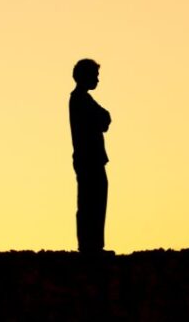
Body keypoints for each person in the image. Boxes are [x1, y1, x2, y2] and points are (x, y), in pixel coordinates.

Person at [69, 59, 111, 253]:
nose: (97, 80)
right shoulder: (80, 100)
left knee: (93, 200)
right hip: (89, 159)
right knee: (90, 201)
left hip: (89, 159)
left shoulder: (82, 99)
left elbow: (104, 118)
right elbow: (103, 118)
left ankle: (93, 244)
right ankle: (90, 246)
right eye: (95, 76)